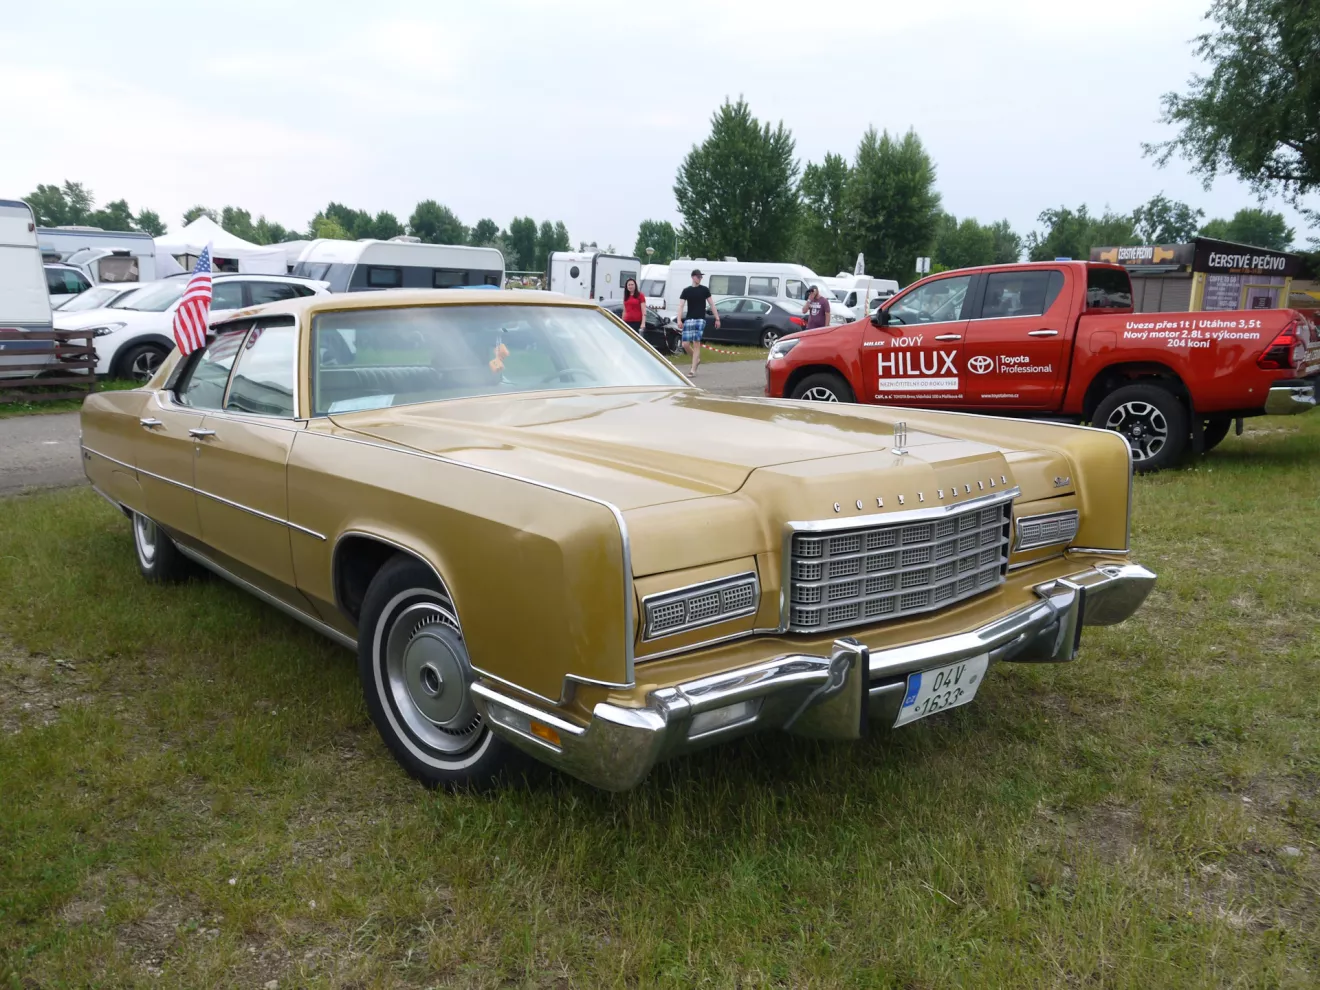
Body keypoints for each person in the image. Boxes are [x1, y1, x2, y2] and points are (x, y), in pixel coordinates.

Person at [677, 269, 720, 376]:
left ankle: (693, 370)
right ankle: (696, 360)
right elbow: (681, 305)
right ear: (693, 277)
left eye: (701, 277)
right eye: (698, 276)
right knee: (685, 344)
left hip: (700, 319)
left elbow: (712, 304)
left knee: (696, 343)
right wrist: (679, 319)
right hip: (689, 319)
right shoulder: (686, 291)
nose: (700, 278)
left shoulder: (704, 290)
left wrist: (717, 318)